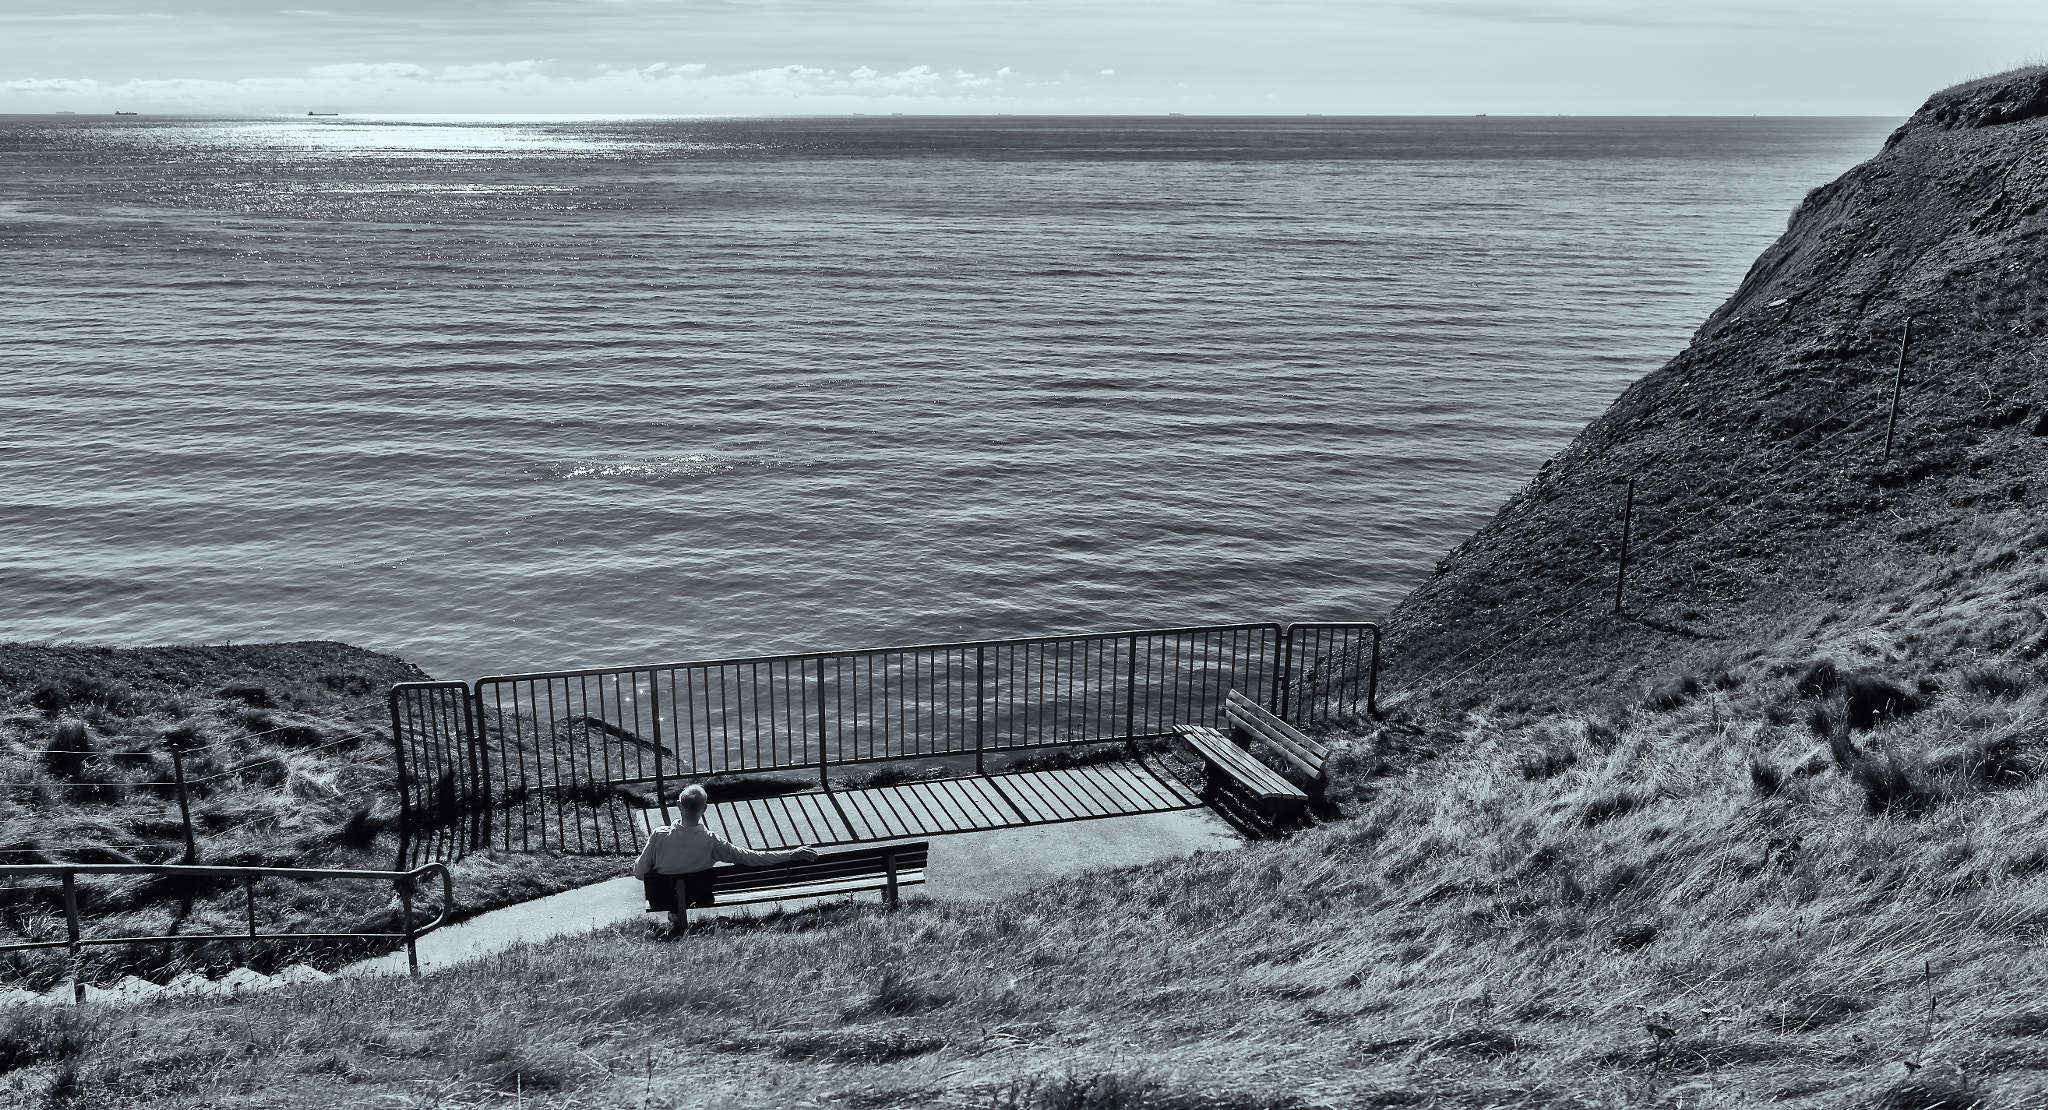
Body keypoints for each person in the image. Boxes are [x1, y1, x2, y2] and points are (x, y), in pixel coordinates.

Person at [631, 784, 819, 932]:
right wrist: (791, 854)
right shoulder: (711, 841)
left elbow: (640, 874)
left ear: (679, 806)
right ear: (704, 809)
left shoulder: (659, 835)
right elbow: (751, 857)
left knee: (670, 887)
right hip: (699, 897)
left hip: (661, 899)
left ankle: (676, 918)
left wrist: (636, 865)